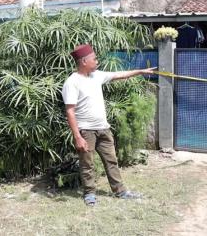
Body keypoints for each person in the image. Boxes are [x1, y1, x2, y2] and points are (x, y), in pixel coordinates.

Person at [62, 44, 155, 206]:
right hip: (86, 131)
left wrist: (140, 72)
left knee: (111, 160)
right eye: (94, 59)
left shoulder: (96, 76)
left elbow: (120, 74)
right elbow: (70, 111)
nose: (97, 61)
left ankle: (120, 191)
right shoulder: (72, 82)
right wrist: (77, 136)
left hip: (103, 128)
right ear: (84, 61)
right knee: (87, 164)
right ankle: (89, 194)